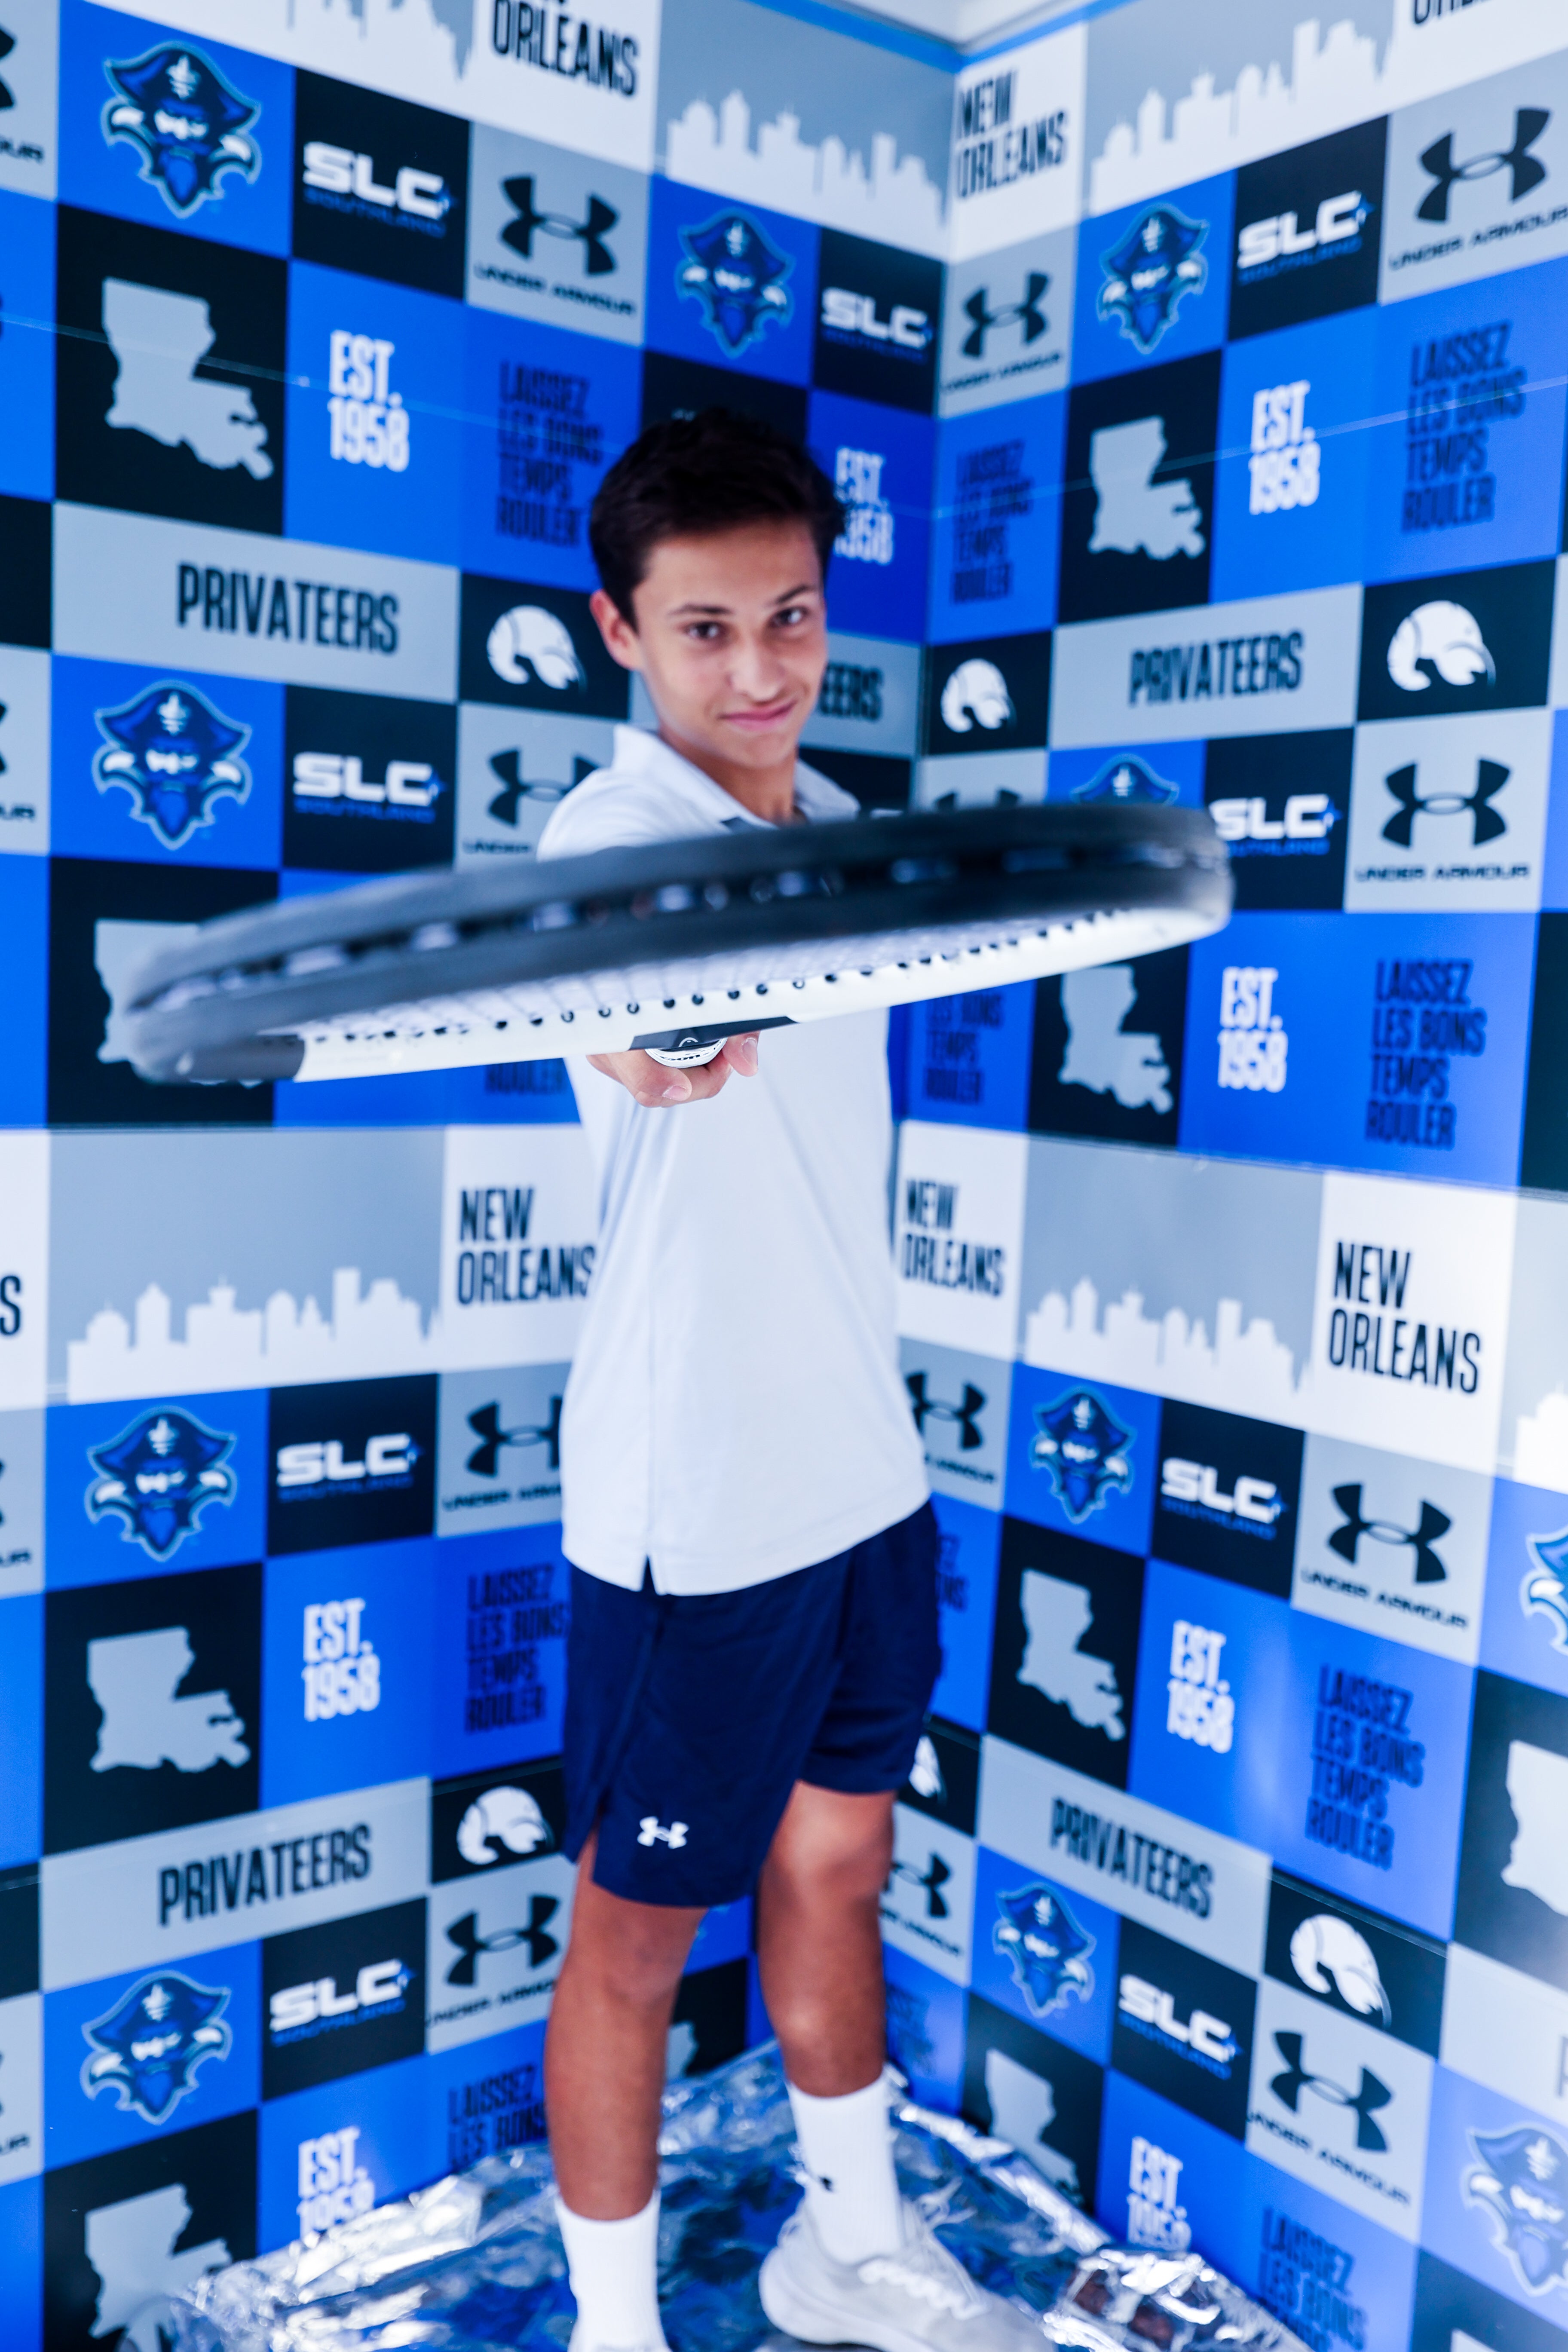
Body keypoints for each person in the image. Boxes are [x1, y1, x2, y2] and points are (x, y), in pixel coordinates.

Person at [536, 408, 1037, 2352]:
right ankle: (615, 2334)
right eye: (706, 629)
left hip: (862, 1470)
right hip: (701, 1501)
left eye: (794, 618)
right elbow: (642, 992)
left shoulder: (833, 828)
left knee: (839, 1863)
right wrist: (661, 1034)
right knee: (633, 1940)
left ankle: (848, 2249)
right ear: (621, 632)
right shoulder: (612, 842)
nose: (759, 670)